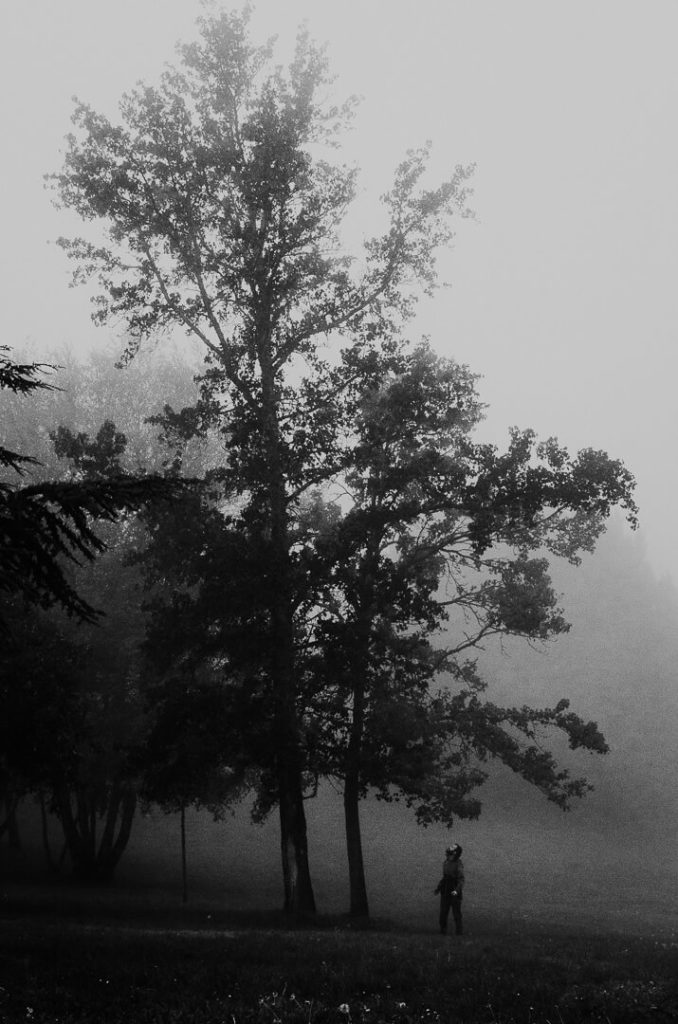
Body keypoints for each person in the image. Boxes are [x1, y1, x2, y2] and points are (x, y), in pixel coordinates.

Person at [434, 844, 464, 935]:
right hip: (445, 890)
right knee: (443, 912)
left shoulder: (458, 864)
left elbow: (461, 879)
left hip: (454, 890)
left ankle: (459, 932)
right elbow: (444, 877)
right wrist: (439, 888)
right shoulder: (446, 862)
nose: (447, 855)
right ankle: (443, 930)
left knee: (456, 913)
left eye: (449, 854)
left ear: (455, 854)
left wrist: (456, 890)